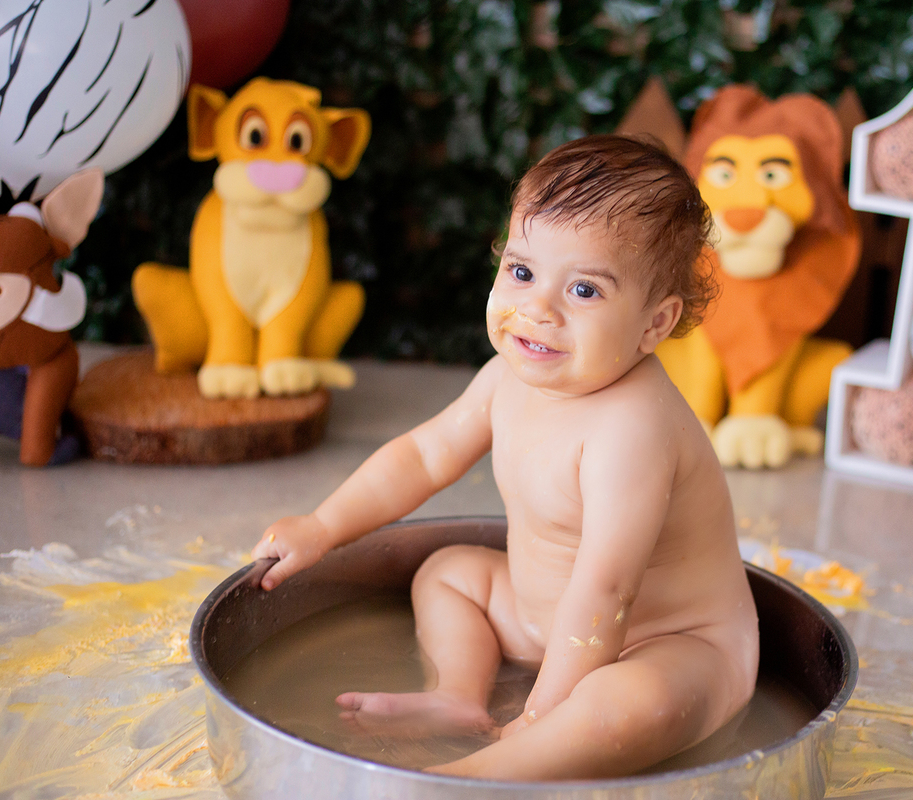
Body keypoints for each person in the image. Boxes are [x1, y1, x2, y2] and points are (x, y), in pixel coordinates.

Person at [251, 135, 759, 780]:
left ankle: (477, 779)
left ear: (654, 325)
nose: (537, 309)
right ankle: (458, 695)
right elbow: (424, 454)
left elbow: (607, 589)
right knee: (449, 572)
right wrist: (323, 526)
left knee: (624, 708)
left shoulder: (633, 430)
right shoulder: (507, 379)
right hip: (542, 619)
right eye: (521, 272)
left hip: (668, 644)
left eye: (584, 291)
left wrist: (548, 708)